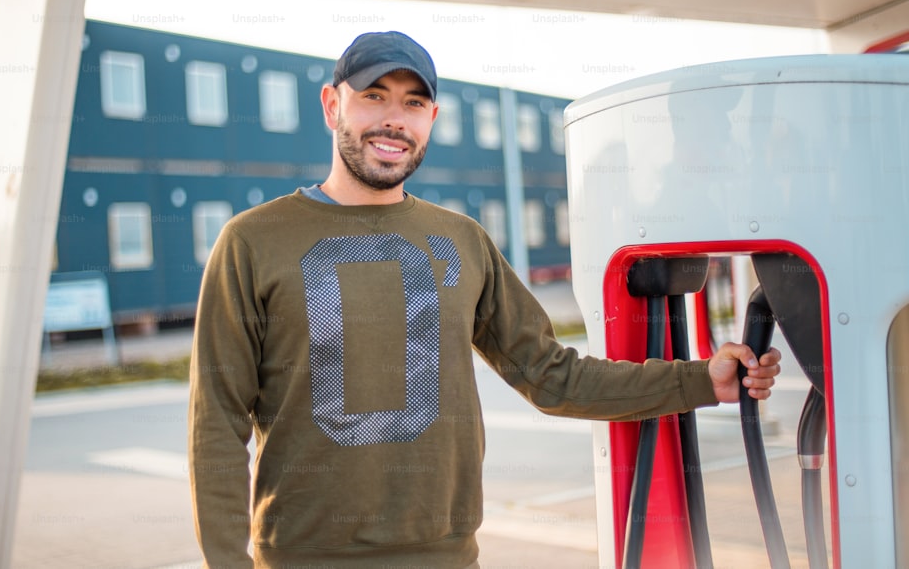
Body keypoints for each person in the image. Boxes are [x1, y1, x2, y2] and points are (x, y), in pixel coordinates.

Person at [188, 31, 782, 568]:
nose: (394, 119)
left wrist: (703, 380)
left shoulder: (463, 241)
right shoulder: (252, 241)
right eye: (375, 96)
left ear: (432, 119)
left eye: (413, 104)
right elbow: (216, 420)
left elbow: (554, 377)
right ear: (332, 104)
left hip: (447, 557)